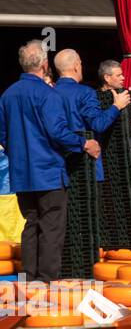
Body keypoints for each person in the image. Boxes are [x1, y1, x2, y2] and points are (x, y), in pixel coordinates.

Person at [0, 42, 101, 281]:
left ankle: (29, 277)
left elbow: (3, 134)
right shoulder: (47, 94)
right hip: (47, 170)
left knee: (31, 223)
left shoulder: (8, 94)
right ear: (45, 65)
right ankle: (46, 281)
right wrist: (84, 143)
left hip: (22, 172)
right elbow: (57, 131)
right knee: (51, 227)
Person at [52, 50, 130, 275]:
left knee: (60, 219)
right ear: (77, 65)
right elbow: (99, 123)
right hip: (87, 166)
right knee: (88, 220)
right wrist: (117, 106)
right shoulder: (84, 93)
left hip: (58, 167)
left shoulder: (50, 93)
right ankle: (87, 267)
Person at [95, 60, 131, 253]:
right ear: (107, 78)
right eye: (118, 75)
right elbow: (100, 124)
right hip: (106, 156)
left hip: (124, 155)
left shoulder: (128, 96)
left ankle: (127, 239)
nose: (123, 77)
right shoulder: (97, 98)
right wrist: (116, 106)